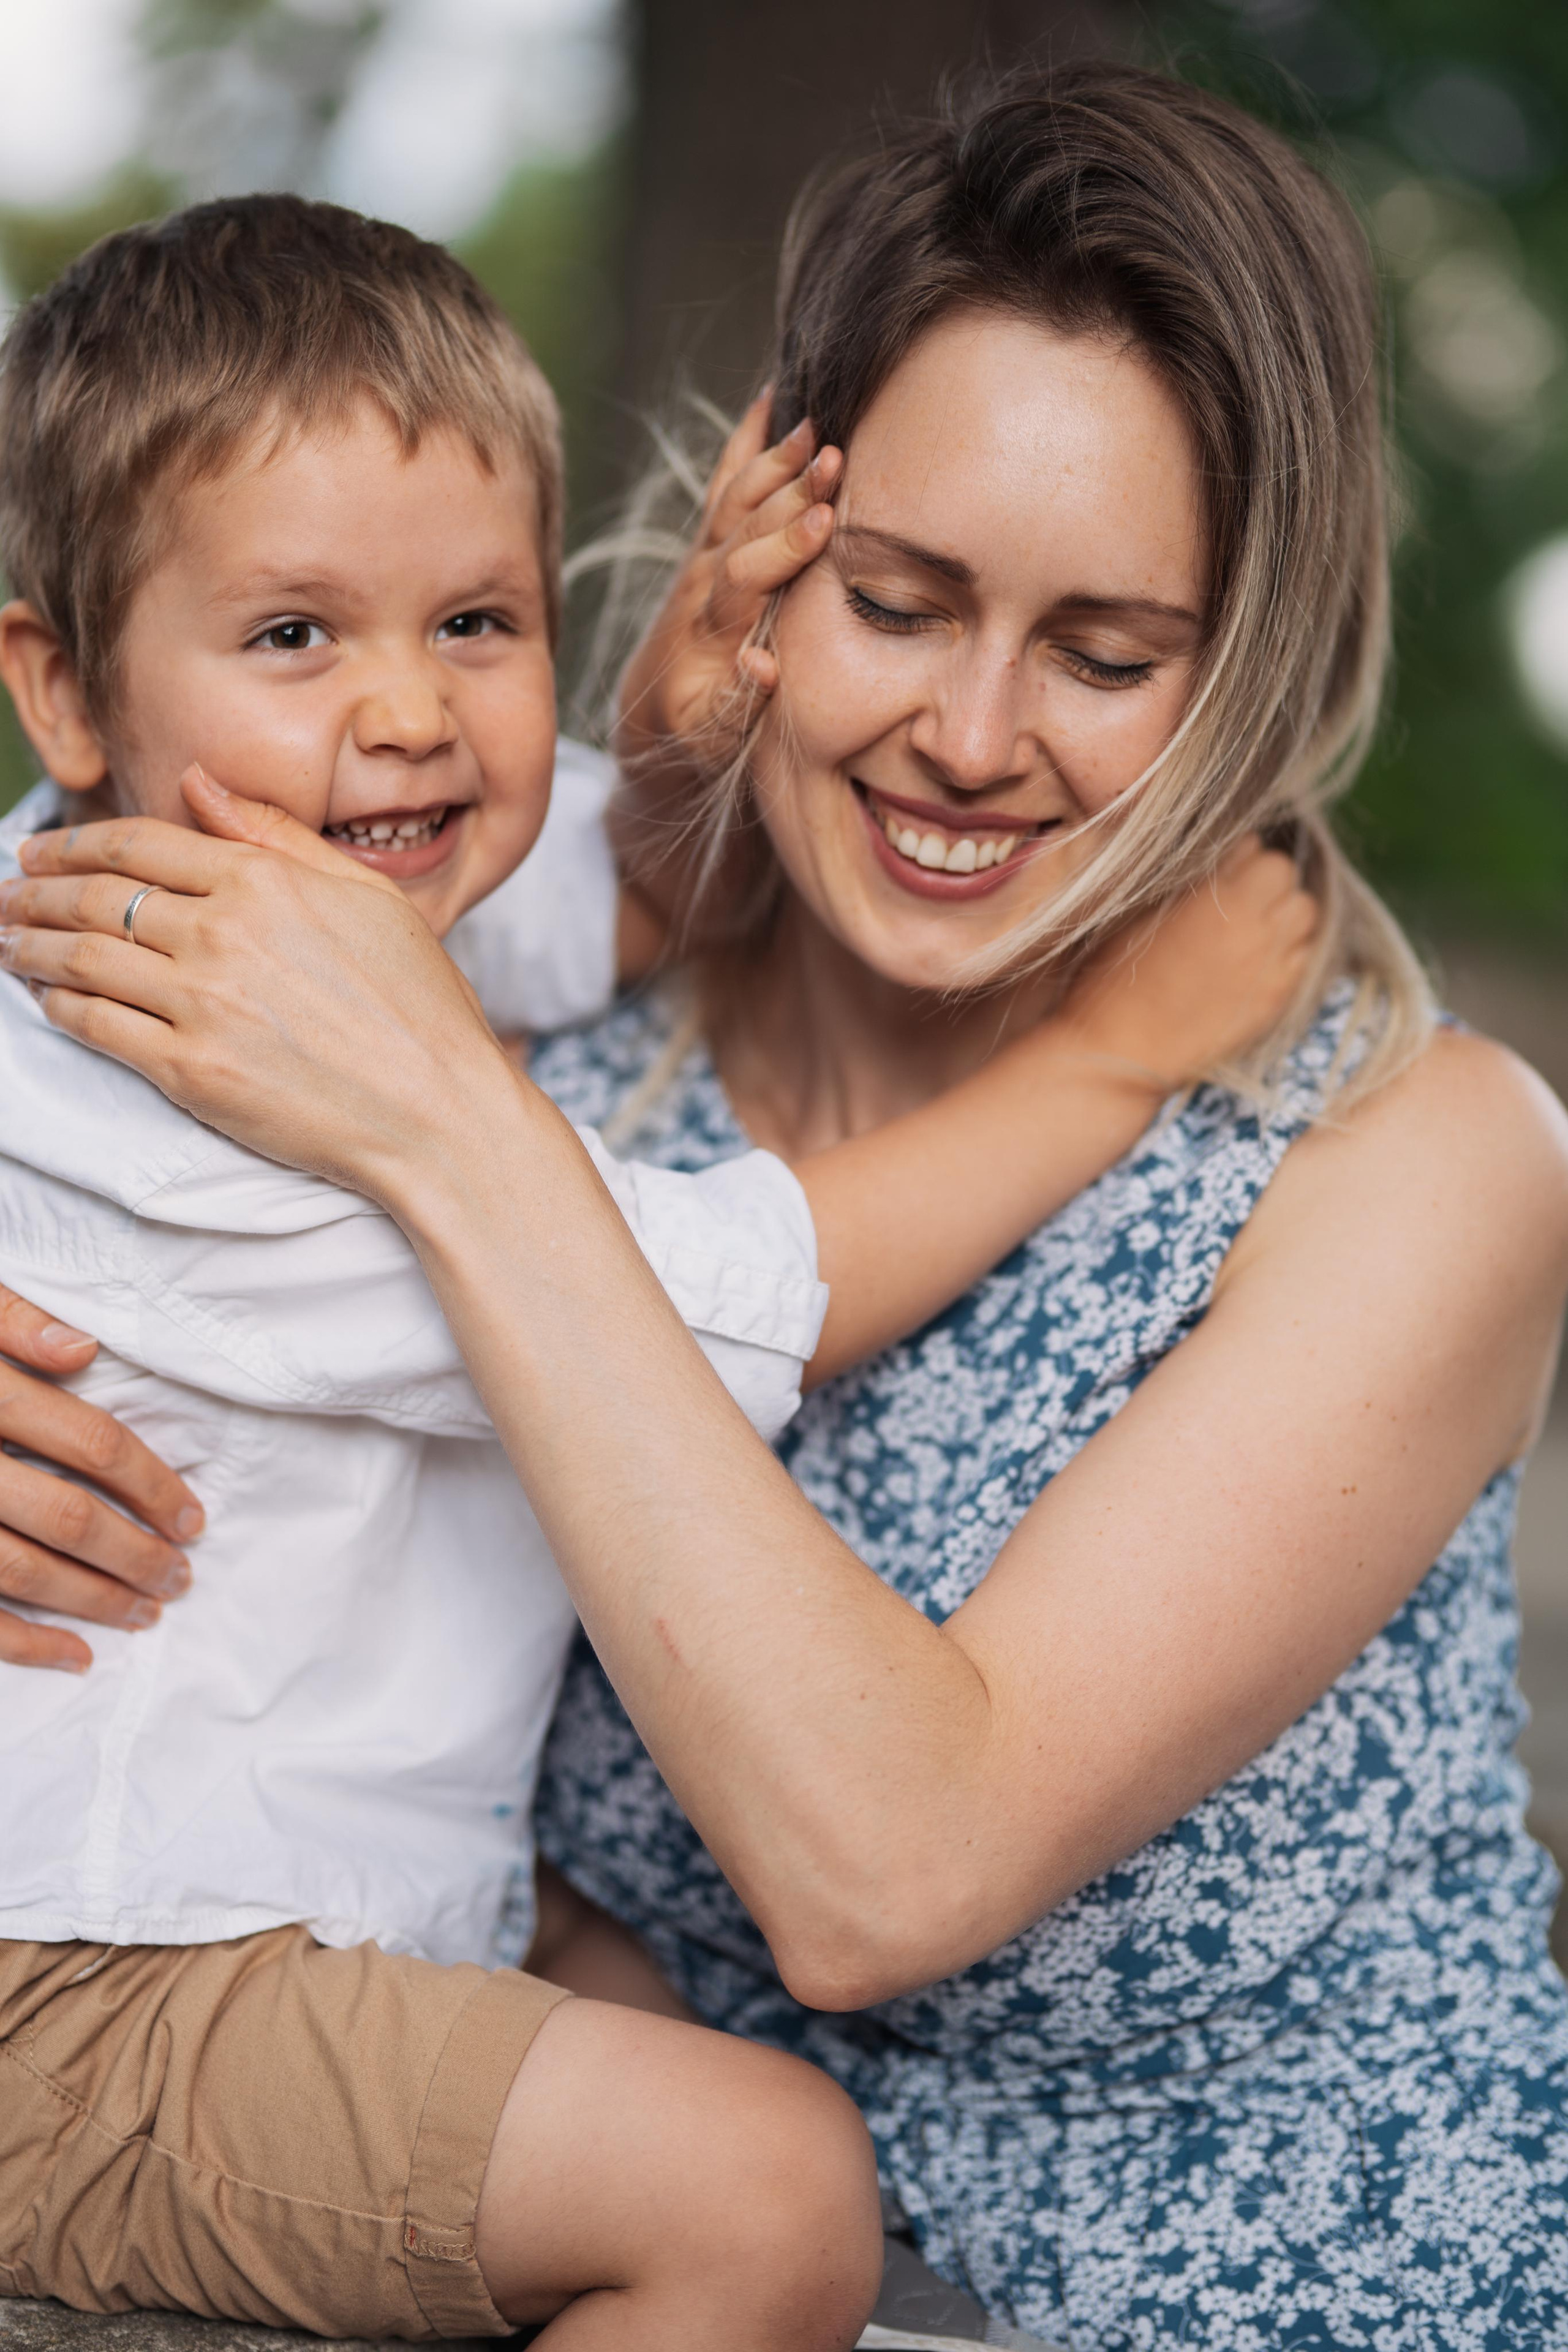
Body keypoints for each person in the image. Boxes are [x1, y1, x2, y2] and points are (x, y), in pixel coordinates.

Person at [2, 60, 1566, 2352]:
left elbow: (881, 1873)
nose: (969, 732)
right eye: (901, 602)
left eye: (1110, 656)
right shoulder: (538, 1028)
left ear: (1244, 670)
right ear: (770, 568)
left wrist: (449, 1129)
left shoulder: (1406, 1154)